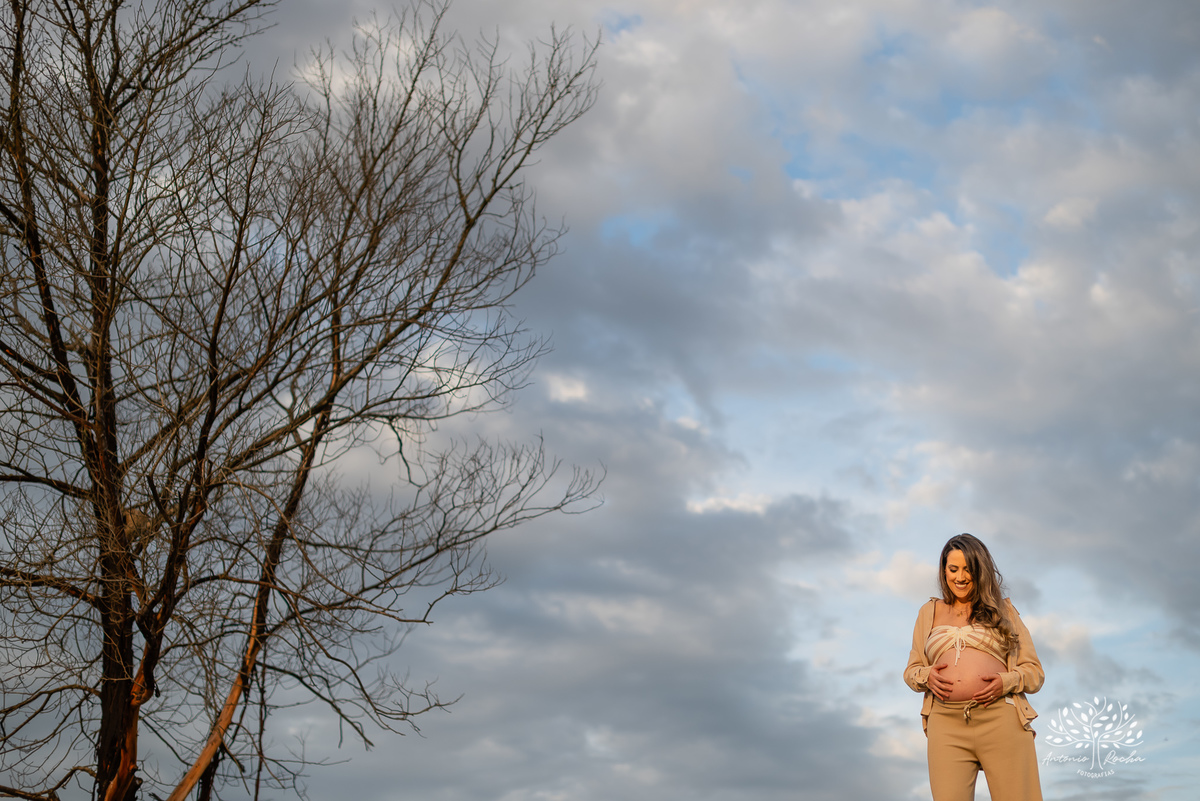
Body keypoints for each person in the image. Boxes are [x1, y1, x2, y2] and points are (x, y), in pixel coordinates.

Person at [903, 534, 1044, 801]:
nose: (960, 577)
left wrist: (1007, 681)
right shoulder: (928, 612)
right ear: (943, 570)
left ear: (981, 571)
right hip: (945, 724)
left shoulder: (1004, 611)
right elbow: (911, 671)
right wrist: (926, 676)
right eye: (952, 569)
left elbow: (1034, 672)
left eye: (968, 569)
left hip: (1001, 718)